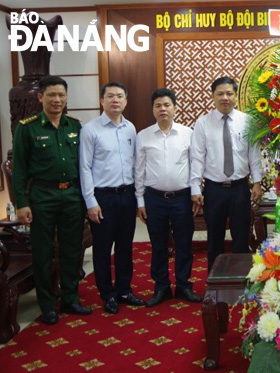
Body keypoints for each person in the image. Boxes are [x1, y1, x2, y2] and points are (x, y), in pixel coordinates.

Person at [12, 76, 92, 325]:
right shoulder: (28, 127)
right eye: (51, 95)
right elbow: (19, 170)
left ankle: (70, 298)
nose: (56, 100)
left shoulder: (76, 126)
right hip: (42, 197)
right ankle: (47, 304)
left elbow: (86, 165)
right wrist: (21, 203)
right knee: (43, 252)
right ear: (40, 98)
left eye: (61, 95)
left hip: (71, 196)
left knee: (71, 250)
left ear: (66, 98)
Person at [80, 82, 146, 314]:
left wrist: (139, 199)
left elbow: (135, 166)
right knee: (102, 248)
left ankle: (124, 289)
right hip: (103, 197)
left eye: (119, 96)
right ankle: (107, 294)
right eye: (110, 96)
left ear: (126, 101)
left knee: (125, 246)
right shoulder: (91, 130)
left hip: (126, 195)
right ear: (102, 101)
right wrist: (91, 202)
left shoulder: (130, 128)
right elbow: (85, 168)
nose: (115, 100)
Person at [135, 88, 202, 306]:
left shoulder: (187, 133)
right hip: (154, 199)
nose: (162, 109)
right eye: (158, 106)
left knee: (184, 243)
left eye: (167, 105)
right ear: (153, 109)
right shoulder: (143, 136)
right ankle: (161, 287)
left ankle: (183, 285)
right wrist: (140, 201)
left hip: (182, 198)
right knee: (159, 245)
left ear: (175, 108)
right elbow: (139, 171)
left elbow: (195, 167)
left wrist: (195, 192)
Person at [190, 77, 263, 270]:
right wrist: (195, 188)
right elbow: (197, 157)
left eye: (229, 93)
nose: (225, 97)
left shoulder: (248, 122)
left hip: (240, 188)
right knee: (214, 238)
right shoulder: (203, 123)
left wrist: (257, 182)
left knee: (241, 237)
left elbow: (254, 153)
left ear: (236, 96)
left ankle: (240, 280)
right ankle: (214, 283)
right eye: (220, 94)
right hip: (214, 189)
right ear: (213, 97)